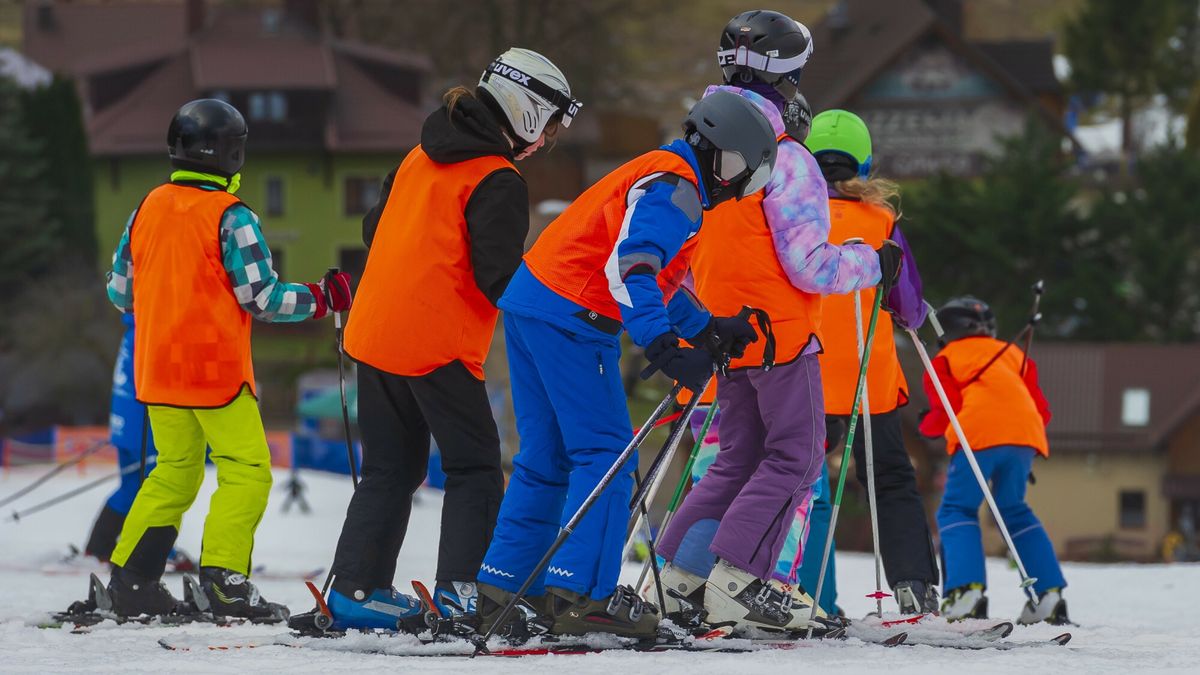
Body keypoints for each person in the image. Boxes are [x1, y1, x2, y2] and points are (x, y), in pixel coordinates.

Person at [474, 90, 778, 639]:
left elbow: (655, 276)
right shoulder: (677, 187)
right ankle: (582, 596)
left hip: (533, 304)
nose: (737, 188)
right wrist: (661, 345)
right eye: (741, 172)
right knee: (607, 455)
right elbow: (632, 266)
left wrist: (704, 327)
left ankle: (505, 586)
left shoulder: (662, 172)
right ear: (720, 153)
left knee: (546, 456)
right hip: (573, 316)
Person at [654, 10, 897, 634]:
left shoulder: (697, 147)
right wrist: (872, 262)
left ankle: (678, 578)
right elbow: (810, 265)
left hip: (722, 329)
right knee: (797, 459)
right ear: (789, 73)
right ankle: (740, 578)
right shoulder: (786, 158)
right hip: (781, 334)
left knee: (735, 460)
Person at [321, 48, 580, 631]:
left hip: (374, 334)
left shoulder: (420, 155)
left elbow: (373, 229)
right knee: (476, 467)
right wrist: (563, 305)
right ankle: (463, 592)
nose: (544, 142)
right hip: (436, 345)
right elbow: (499, 279)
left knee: (389, 469)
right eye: (548, 128)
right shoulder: (497, 178)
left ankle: (357, 591)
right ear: (529, 113)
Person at [94, 98, 351, 620]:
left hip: (158, 372)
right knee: (247, 471)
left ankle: (131, 582)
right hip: (216, 376)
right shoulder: (232, 216)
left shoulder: (146, 209)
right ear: (233, 153)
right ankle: (224, 582)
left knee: (173, 472)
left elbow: (121, 293)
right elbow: (263, 298)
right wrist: (323, 298)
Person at [807, 109, 942, 614]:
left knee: (796, 481)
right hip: (869, 376)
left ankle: (794, 589)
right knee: (889, 478)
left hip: (804, 370)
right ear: (864, 162)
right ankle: (914, 586)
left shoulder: (790, 214)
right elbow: (907, 306)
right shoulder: (881, 220)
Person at [919, 297, 1069, 625]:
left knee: (956, 509)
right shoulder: (1014, 354)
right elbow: (1040, 409)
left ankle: (966, 593)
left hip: (977, 434)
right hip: (1025, 435)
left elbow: (946, 410)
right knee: (1013, 510)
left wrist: (925, 425)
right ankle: (1049, 595)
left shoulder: (945, 359)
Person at [80, 313, 193, 573]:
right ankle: (159, 552)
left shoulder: (135, 329)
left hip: (126, 423)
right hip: (144, 427)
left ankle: (99, 546)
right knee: (159, 489)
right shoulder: (152, 331)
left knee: (132, 487)